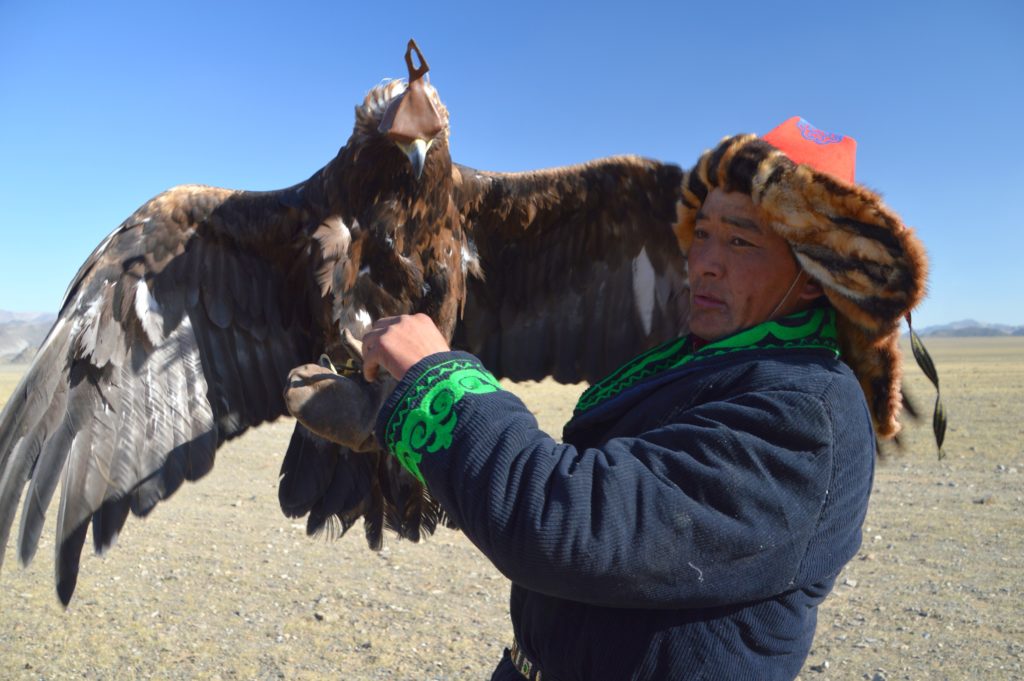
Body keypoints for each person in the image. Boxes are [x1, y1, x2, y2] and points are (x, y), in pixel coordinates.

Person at [293, 117, 932, 680]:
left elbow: (576, 525)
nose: (703, 262)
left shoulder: (804, 414)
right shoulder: (696, 370)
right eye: (702, 235)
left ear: (816, 274)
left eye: (740, 242)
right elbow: (607, 491)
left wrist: (438, 385)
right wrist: (410, 436)